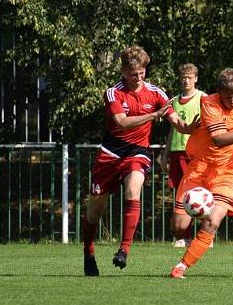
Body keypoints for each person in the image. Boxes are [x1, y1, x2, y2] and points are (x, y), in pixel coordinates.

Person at [82, 45, 199, 277]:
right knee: (95, 210)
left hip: (138, 151)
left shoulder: (156, 93)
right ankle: (88, 252)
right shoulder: (113, 93)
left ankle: (124, 250)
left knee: (133, 190)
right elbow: (121, 122)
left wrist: (192, 127)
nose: (139, 77)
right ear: (123, 71)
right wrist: (153, 116)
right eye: (134, 73)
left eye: (142, 72)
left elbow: (177, 122)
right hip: (110, 152)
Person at [169, 68, 233, 279]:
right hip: (200, 167)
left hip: (226, 172)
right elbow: (218, 139)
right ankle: (198, 217)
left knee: (212, 222)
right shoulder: (209, 103)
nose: (232, 101)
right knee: (179, 227)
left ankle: (181, 267)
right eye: (227, 97)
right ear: (218, 92)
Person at [158, 63, 206, 247]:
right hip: (177, 154)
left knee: (200, 194)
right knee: (180, 195)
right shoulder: (174, 101)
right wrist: (165, 153)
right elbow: (172, 129)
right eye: (183, 77)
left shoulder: (203, 98)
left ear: (196, 78)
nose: (186, 80)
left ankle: (204, 235)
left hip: (196, 153)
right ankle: (183, 236)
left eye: (190, 77)